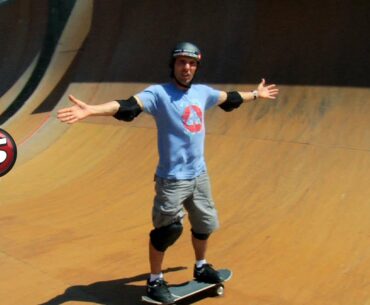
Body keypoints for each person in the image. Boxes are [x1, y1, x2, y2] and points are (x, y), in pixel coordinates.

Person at [57, 42, 279, 304]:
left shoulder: (202, 93)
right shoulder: (159, 94)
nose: (186, 68)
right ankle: (154, 280)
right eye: (181, 62)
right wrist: (91, 110)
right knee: (167, 231)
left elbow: (229, 98)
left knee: (204, 224)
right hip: (172, 180)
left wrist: (256, 93)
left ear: (196, 67)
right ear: (173, 66)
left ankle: (201, 266)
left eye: (192, 63)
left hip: (199, 175)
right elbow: (128, 105)